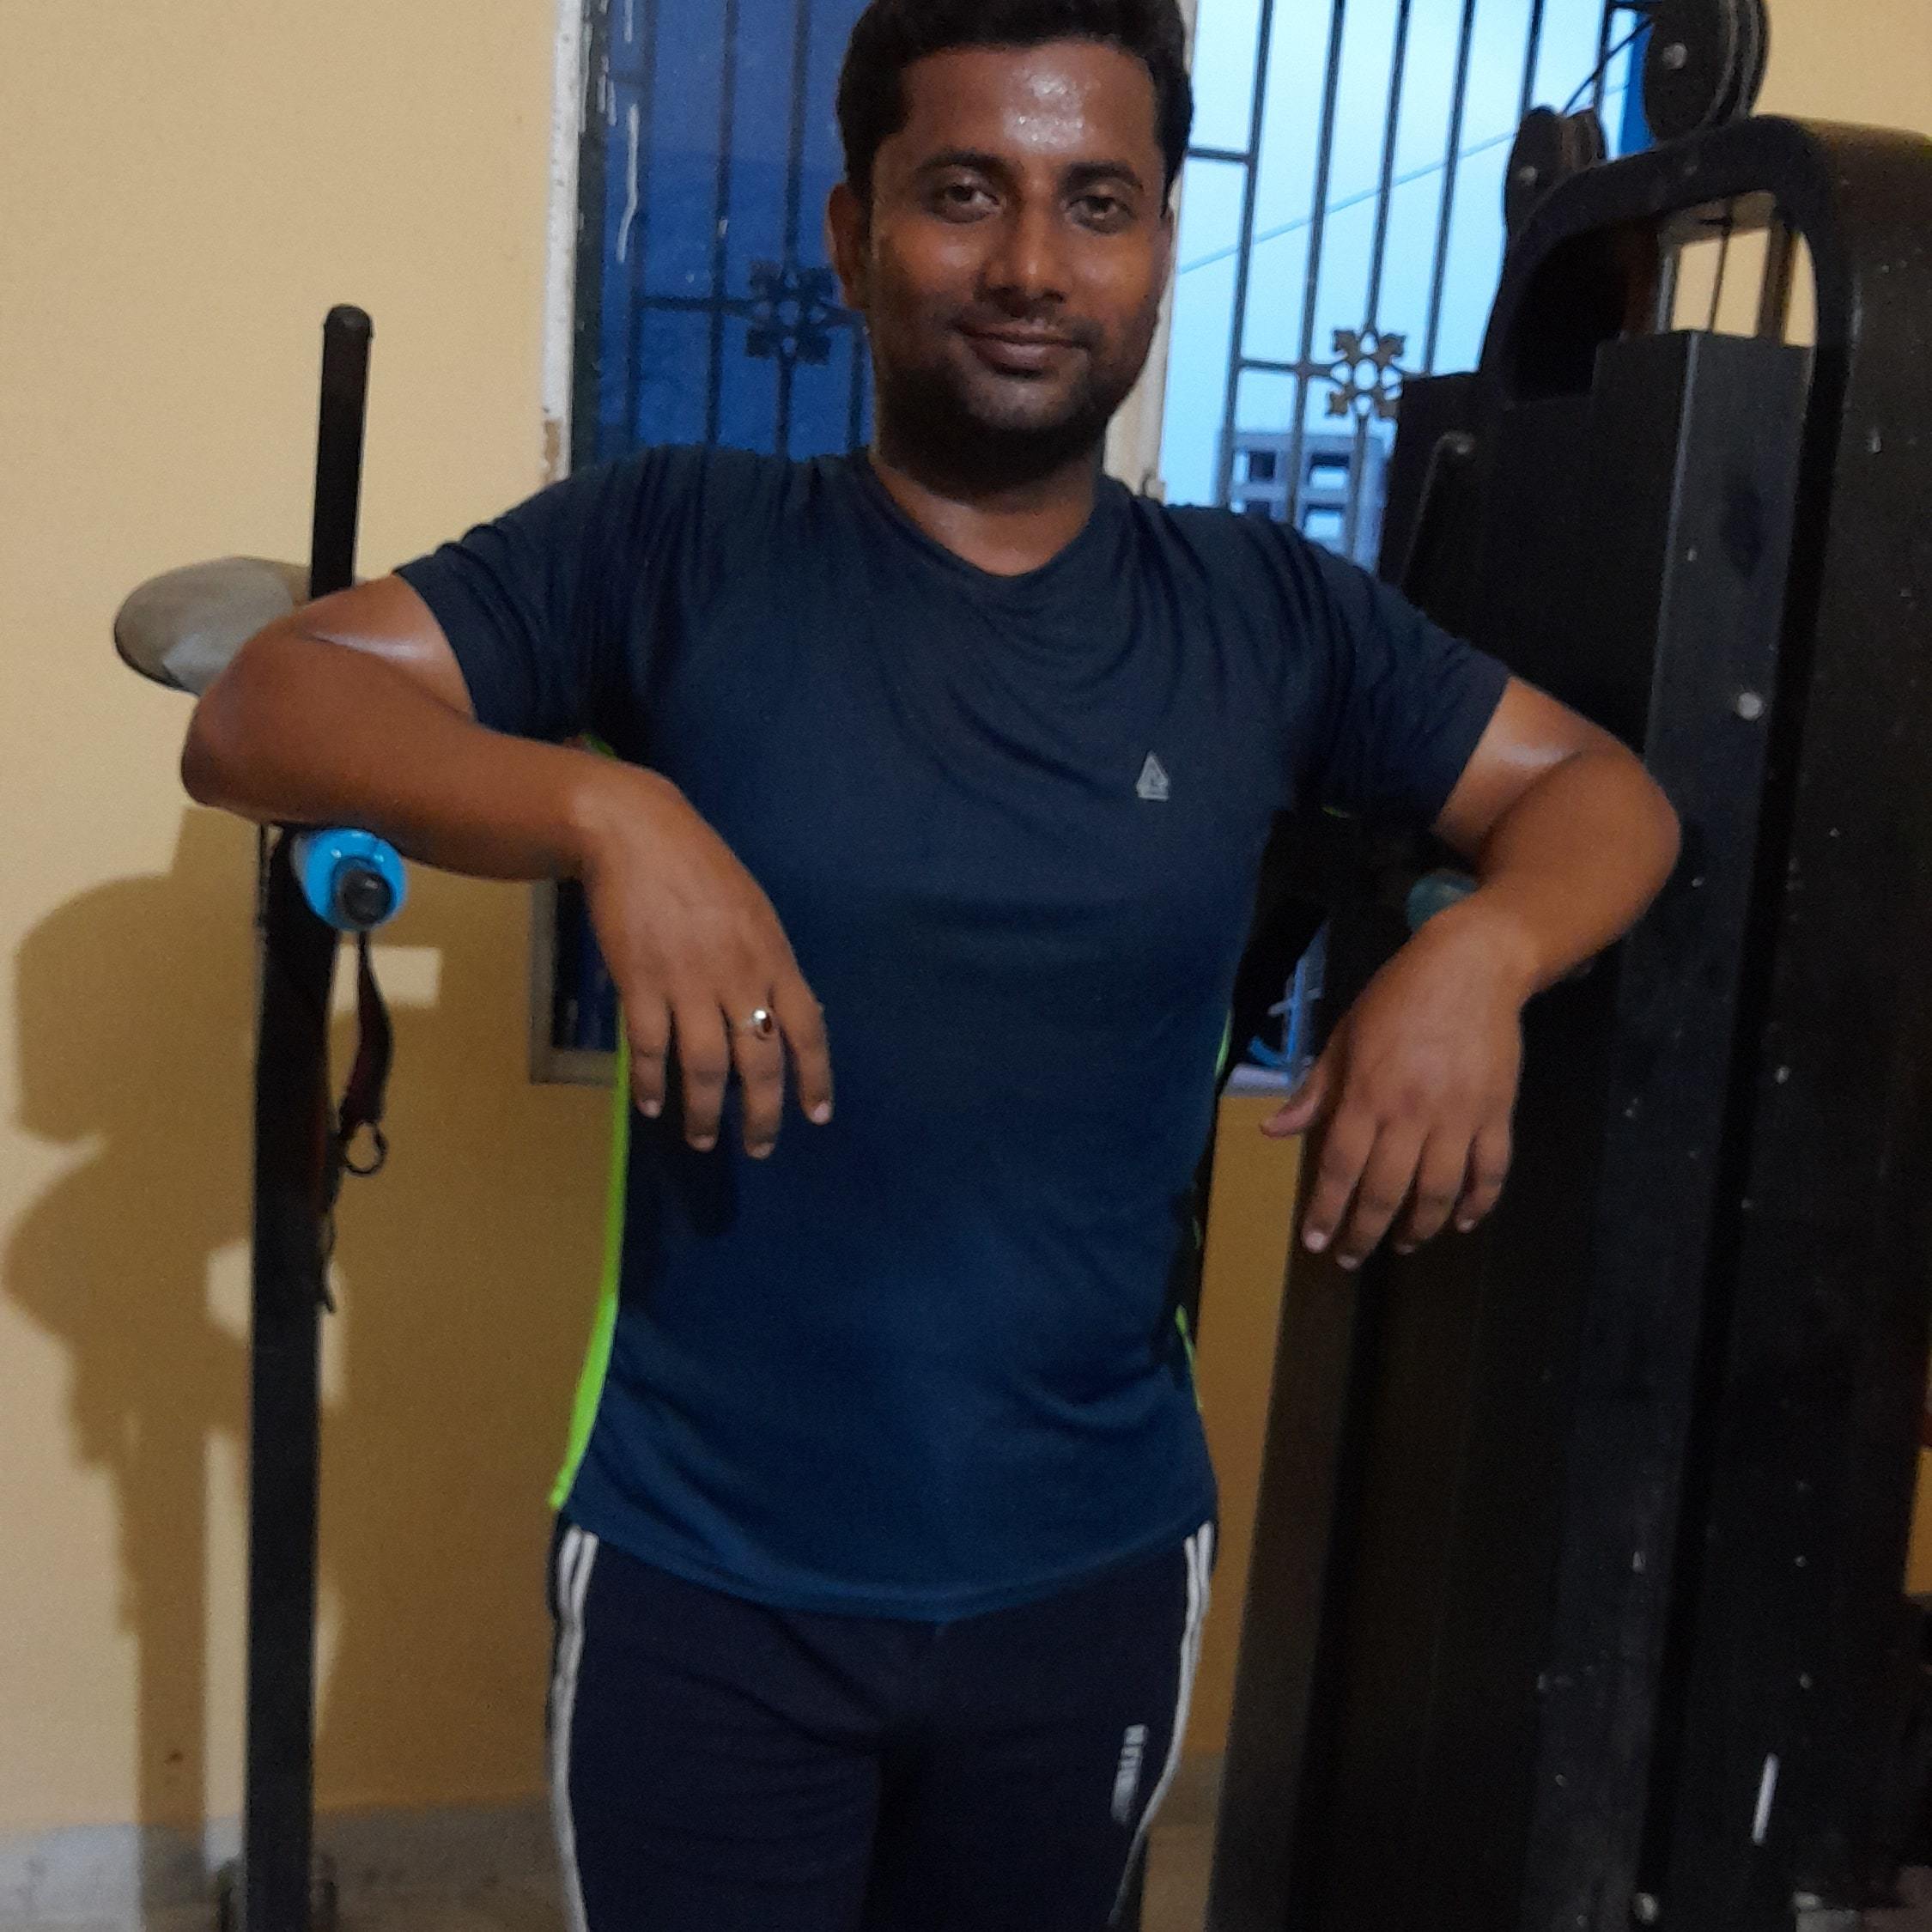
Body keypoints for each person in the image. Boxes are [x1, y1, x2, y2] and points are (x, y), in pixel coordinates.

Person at [180, 1, 1680, 1924]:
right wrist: (609, 811)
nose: (1032, 264)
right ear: (849, 233)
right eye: (964, 193)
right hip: (708, 1576)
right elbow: (263, 712)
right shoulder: (679, 544)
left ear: (1160, 243)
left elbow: (1598, 793)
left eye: (1097, 202)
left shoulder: (1263, 613)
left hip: (1093, 1567)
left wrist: (1484, 950)